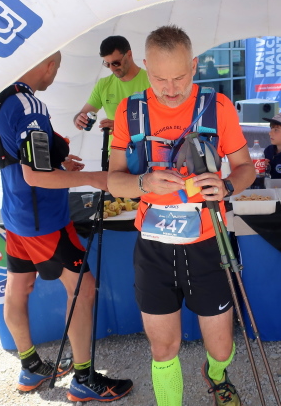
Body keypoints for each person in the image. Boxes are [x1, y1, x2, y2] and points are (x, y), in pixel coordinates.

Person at [108, 25, 255, 406]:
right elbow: (114, 181)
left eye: (179, 78)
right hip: (154, 247)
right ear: (145, 66)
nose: (170, 89)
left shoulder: (217, 106)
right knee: (163, 348)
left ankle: (216, 375)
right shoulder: (130, 111)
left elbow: (246, 168)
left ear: (194, 66)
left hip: (208, 243)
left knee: (221, 348)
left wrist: (226, 186)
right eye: (159, 79)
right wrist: (143, 182)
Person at [0, 52, 132, 401]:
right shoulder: (30, 107)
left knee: (19, 286)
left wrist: (58, 160)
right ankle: (84, 378)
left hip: (16, 214)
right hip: (43, 220)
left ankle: (30, 366)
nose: (55, 74)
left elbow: (16, 157)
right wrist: (93, 178)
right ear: (48, 65)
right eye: (56, 66)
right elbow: (34, 175)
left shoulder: (0, 97)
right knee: (83, 289)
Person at [73, 35, 150, 132]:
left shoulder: (152, 81)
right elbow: (83, 113)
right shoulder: (103, 84)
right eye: (107, 64)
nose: (112, 68)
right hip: (112, 143)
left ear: (129, 55)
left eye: (116, 63)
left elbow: (160, 122)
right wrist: (79, 119)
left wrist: (120, 126)